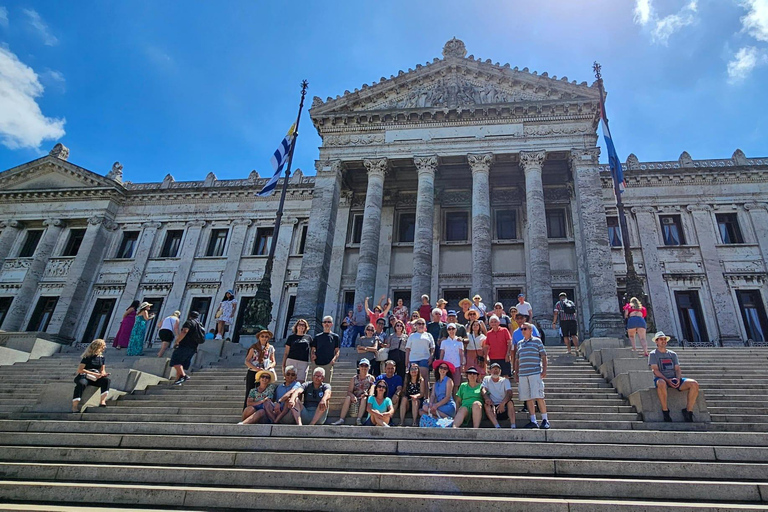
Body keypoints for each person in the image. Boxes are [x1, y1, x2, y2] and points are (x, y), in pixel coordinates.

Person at [649, 331, 700, 422]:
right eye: (661, 339)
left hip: (674, 378)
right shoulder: (653, 354)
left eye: (665, 339)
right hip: (662, 379)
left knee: (694, 384)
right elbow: (655, 370)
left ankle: (688, 411)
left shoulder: (673, 354)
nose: (663, 341)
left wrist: (678, 379)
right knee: (661, 383)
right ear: (656, 341)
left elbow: (677, 369)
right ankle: (665, 411)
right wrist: (667, 380)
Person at [514, 322, 550, 429]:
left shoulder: (537, 341)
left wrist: (544, 370)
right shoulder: (519, 343)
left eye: (525, 329)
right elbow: (517, 359)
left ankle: (545, 419)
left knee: (539, 396)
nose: (523, 331)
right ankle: (533, 420)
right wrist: (516, 373)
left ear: (531, 330)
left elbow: (543, 356)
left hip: (534, 372)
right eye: (522, 329)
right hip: (523, 374)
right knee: (528, 397)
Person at [331, 358, 375, 426]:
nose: (364, 367)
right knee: (348, 397)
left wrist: (367, 394)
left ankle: (358, 419)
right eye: (362, 365)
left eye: (366, 366)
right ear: (359, 367)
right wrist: (352, 396)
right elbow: (349, 391)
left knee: (364, 399)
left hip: (365, 399)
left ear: (369, 367)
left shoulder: (371, 378)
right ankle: (341, 419)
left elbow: (372, 389)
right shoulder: (354, 378)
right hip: (355, 399)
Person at [72, 339, 110, 412]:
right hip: (84, 376)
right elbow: (80, 370)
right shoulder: (87, 357)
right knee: (81, 384)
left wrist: (103, 374)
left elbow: (102, 369)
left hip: (95, 378)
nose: (105, 347)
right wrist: (95, 374)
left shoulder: (101, 358)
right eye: (103, 346)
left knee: (106, 381)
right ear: (98, 346)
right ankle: (75, 406)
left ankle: (102, 401)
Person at [170, 311, 205, 386]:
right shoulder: (199, 324)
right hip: (193, 347)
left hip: (184, 345)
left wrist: (177, 341)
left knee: (175, 361)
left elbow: (185, 331)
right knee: (181, 364)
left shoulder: (189, 322)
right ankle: (177, 380)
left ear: (189, 316)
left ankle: (184, 376)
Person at [243, 329, 276, 408]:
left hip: (264, 373)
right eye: (262, 336)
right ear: (259, 337)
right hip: (253, 372)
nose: (264, 338)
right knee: (250, 391)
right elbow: (247, 361)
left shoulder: (270, 348)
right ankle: (246, 410)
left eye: (266, 337)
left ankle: (259, 410)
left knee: (262, 392)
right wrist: (256, 368)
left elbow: (274, 361)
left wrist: (269, 367)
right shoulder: (253, 347)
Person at [482, 362, 516, 428]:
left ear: (500, 371)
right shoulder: (486, 379)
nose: (495, 371)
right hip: (492, 406)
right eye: (494, 369)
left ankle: (513, 425)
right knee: (486, 405)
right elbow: (483, 389)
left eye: (497, 369)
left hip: (503, 406)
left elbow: (509, 393)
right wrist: (487, 399)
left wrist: (503, 404)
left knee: (510, 403)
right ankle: (497, 426)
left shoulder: (505, 380)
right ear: (490, 371)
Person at [311, 316, 341, 382]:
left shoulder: (335, 337)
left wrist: (334, 360)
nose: (326, 323)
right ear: (322, 324)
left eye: (329, 322)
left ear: (332, 324)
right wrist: (313, 355)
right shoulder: (317, 337)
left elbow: (337, 351)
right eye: (325, 322)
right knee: (315, 383)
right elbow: (313, 349)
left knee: (326, 384)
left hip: (328, 363)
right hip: (317, 363)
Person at [405, 318, 434, 383]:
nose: (421, 325)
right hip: (413, 359)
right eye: (419, 324)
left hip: (424, 358)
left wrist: (431, 356)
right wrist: (406, 360)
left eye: (423, 324)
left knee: (424, 379)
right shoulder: (412, 336)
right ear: (416, 325)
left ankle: (426, 393)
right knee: (413, 379)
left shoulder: (429, 335)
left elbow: (432, 347)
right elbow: (408, 349)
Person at [400, 363, 428, 427]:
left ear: (418, 370)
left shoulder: (421, 380)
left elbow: (422, 393)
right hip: (408, 400)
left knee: (414, 400)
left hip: (418, 400)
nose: (413, 370)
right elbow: (404, 390)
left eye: (415, 369)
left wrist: (415, 396)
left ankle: (414, 422)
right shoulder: (407, 379)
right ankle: (401, 421)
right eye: (412, 369)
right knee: (404, 399)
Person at [440, 323, 465, 389]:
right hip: (446, 365)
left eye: (453, 329)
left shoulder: (459, 342)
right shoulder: (444, 342)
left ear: (456, 330)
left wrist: (462, 365)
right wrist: (440, 364)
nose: (451, 331)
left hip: (456, 365)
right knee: (446, 384)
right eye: (449, 329)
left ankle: (455, 399)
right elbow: (442, 354)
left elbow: (461, 354)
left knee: (456, 385)